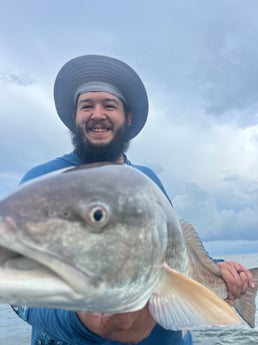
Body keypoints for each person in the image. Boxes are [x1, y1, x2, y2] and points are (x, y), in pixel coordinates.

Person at [14, 55, 255, 345]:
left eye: (109, 105)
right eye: (86, 105)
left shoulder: (147, 180)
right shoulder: (42, 182)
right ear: (75, 118)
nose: (97, 114)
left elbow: (174, 253)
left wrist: (221, 270)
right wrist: (85, 325)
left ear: (127, 117)